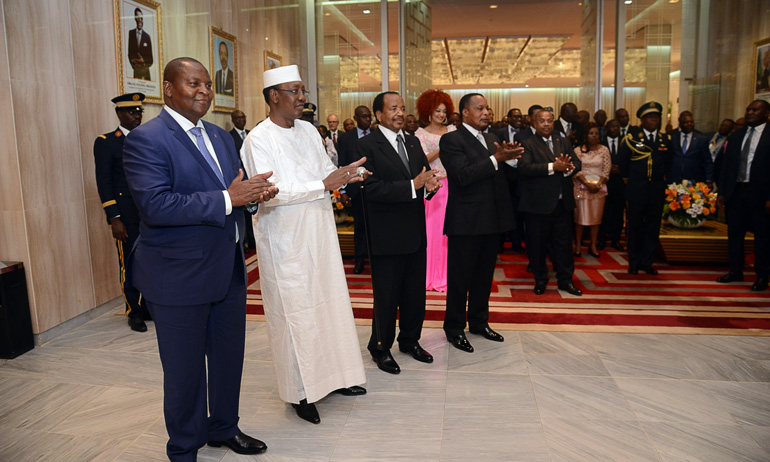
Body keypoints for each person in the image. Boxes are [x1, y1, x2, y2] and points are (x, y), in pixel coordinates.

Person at [123, 57, 275, 461]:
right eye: (194, 84)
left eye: (208, 84)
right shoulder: (147, 139)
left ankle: (223, 428)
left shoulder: (222, 137)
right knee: (185, 372)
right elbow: (156, 206)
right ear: (169, 90)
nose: (204, 91)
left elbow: (236, 190)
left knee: (228, 359)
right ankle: (185, 448)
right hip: (176, 275)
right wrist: (229, 199)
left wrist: (254, 197)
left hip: (226, 269)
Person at [241, 64, 368, 424]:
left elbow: (323, 174)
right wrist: (325, 185)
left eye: (303, 91)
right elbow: (270, 194)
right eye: (294, 91)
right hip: (285, 241)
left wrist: (348, 175)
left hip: (319, 232)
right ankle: (300, 392)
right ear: (273, 96)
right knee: (295, 316)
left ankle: (337, 377)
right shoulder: (258, 139)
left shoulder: (310, 132)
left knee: (328, 306)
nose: (301, 98)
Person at [358, 91, 443, 374]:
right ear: (379, 114)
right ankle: (380, 347)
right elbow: (368, 189)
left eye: (402, 108)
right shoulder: (367, 145)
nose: (399, 113)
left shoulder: (413, 140)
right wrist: (412, 186)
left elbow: (422, 176)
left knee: (414, 294)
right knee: (387, 295)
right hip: (386, 234)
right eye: (393, 108)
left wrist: (429, 186)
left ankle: (410, 340)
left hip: (415, 231)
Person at [440, 93, 521, 353]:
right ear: (465, 113)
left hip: (492, 219)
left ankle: (478, 322)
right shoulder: (451, 139)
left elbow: (500, 176)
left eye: (488, 108)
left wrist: (512, 159)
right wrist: (497, 159)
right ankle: (454, 327)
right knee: (460, 278)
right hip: (466, 221)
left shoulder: (492, 138)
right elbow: (462, 176)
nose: (486, 113)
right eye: (480, 108)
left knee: (484, 277)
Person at [93, 92, 151, 332]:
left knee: (150, 263)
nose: (136, 116)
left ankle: (148, 306)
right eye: (131, 112)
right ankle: (133, 311)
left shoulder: (148, 139)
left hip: (150, 213)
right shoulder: (107, 142)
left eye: (139, 111)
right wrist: (114, 218)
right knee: (129, 263)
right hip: (126, 216)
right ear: (119, 113)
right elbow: (104, 182)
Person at [519, 109, 583, 296]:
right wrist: (552, 167)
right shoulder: (527, 143)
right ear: (534, 123)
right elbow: (524, 168)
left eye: (549, 121)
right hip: (537, 206)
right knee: (537, 246)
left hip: (562, 205)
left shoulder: (562, 140)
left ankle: (566, 280)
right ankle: (540, 280)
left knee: (564, 246)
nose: (546, 124)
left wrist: (568, 168)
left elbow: (577, 163)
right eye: (542, 121)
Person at [716, 100, 770, 292]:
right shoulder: (737, 135)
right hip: (736, 192)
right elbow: (726, 167)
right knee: (735, 234)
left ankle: (762, 276)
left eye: (755, 110)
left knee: (762, 237)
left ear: (766, 114)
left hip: (761, 195)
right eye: (748, 109)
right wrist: (722, 192)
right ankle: (735, 270)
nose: (750, 112)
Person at [618, 101, 673, 276]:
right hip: (636, 191)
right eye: (650, 117)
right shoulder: (631, 139)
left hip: (656, 191)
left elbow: (669, 164)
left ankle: (647, 262)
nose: (654, 120)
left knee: (652, 228)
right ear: (642, 120)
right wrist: (631, 181)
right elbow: (623, 164)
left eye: (656, 117)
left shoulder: (666, 140)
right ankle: (633, 262)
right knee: (634, 228)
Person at [415, 89, 455, 292]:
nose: (441, 114)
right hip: (431, 187)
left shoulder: (453, 130)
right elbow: (423, 160)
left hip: (452, 186)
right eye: (437, 110)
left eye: (444, 111)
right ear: (428, 111)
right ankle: (429, 275)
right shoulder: (420, 134)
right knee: (431, 233)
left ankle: (446, 275)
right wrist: (443, 147)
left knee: (448, 234)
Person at [337, 105, 373, 274]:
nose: (368, 119)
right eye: (364, 116)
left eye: (369, 116)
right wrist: (343, 191)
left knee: (376, 227)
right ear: (356, 117)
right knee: (359, 227)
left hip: (375, 188)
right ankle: (359, 260)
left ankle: (375, 260)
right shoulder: (346, 138)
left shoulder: (376, 135)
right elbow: (342, 163)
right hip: (356, 189)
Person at [572, 123, 611, 257]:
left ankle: (593, 244)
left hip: (598, 189)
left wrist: (598, 184)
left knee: (596, 218)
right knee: (580, 218)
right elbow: (575, 169)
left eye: (596, 133)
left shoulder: (604, 150)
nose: (594, 136)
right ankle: (578, 244)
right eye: (591, 133)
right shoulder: (578, 150)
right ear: (585, 135)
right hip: (581, 188)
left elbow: (606, 170)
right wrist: (586, 183)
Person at [597, 119, 626, 251]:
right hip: (604, 183)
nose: (615, 129)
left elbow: (630, 161)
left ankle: (616, 240)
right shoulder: (600, 144)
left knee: (618, 213)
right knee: (603, 212)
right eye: (612, 127)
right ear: (607, 128)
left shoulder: (625, 143)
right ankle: (601, 240)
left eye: (617, 127)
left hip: (620, 183)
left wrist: (621, 169)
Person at [668, 111, 713, 184]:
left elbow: (707, 161)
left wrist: (709, 179)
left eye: (691, 122)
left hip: (694, 179)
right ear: (680, 125)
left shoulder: (701, 139)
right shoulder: (672, 138)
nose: (689, 124)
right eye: (686, 122)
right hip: (674, 179)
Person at [127, 8, 153, 80]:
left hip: (146, 74)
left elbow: (151, 59)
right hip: (136, 73)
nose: (140, 21)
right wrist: (133, 61)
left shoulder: (147, 37)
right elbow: (130, 53)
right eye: (138, 18)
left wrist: (143, 61)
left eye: (141, 18)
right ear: (135, 19)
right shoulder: (131, 34)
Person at [708, 118, 735, 184]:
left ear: (731, 129)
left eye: (727, 126)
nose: (724, 127)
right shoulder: (708, 135)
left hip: (718, 171)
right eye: (723, 125)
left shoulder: (730, 141)